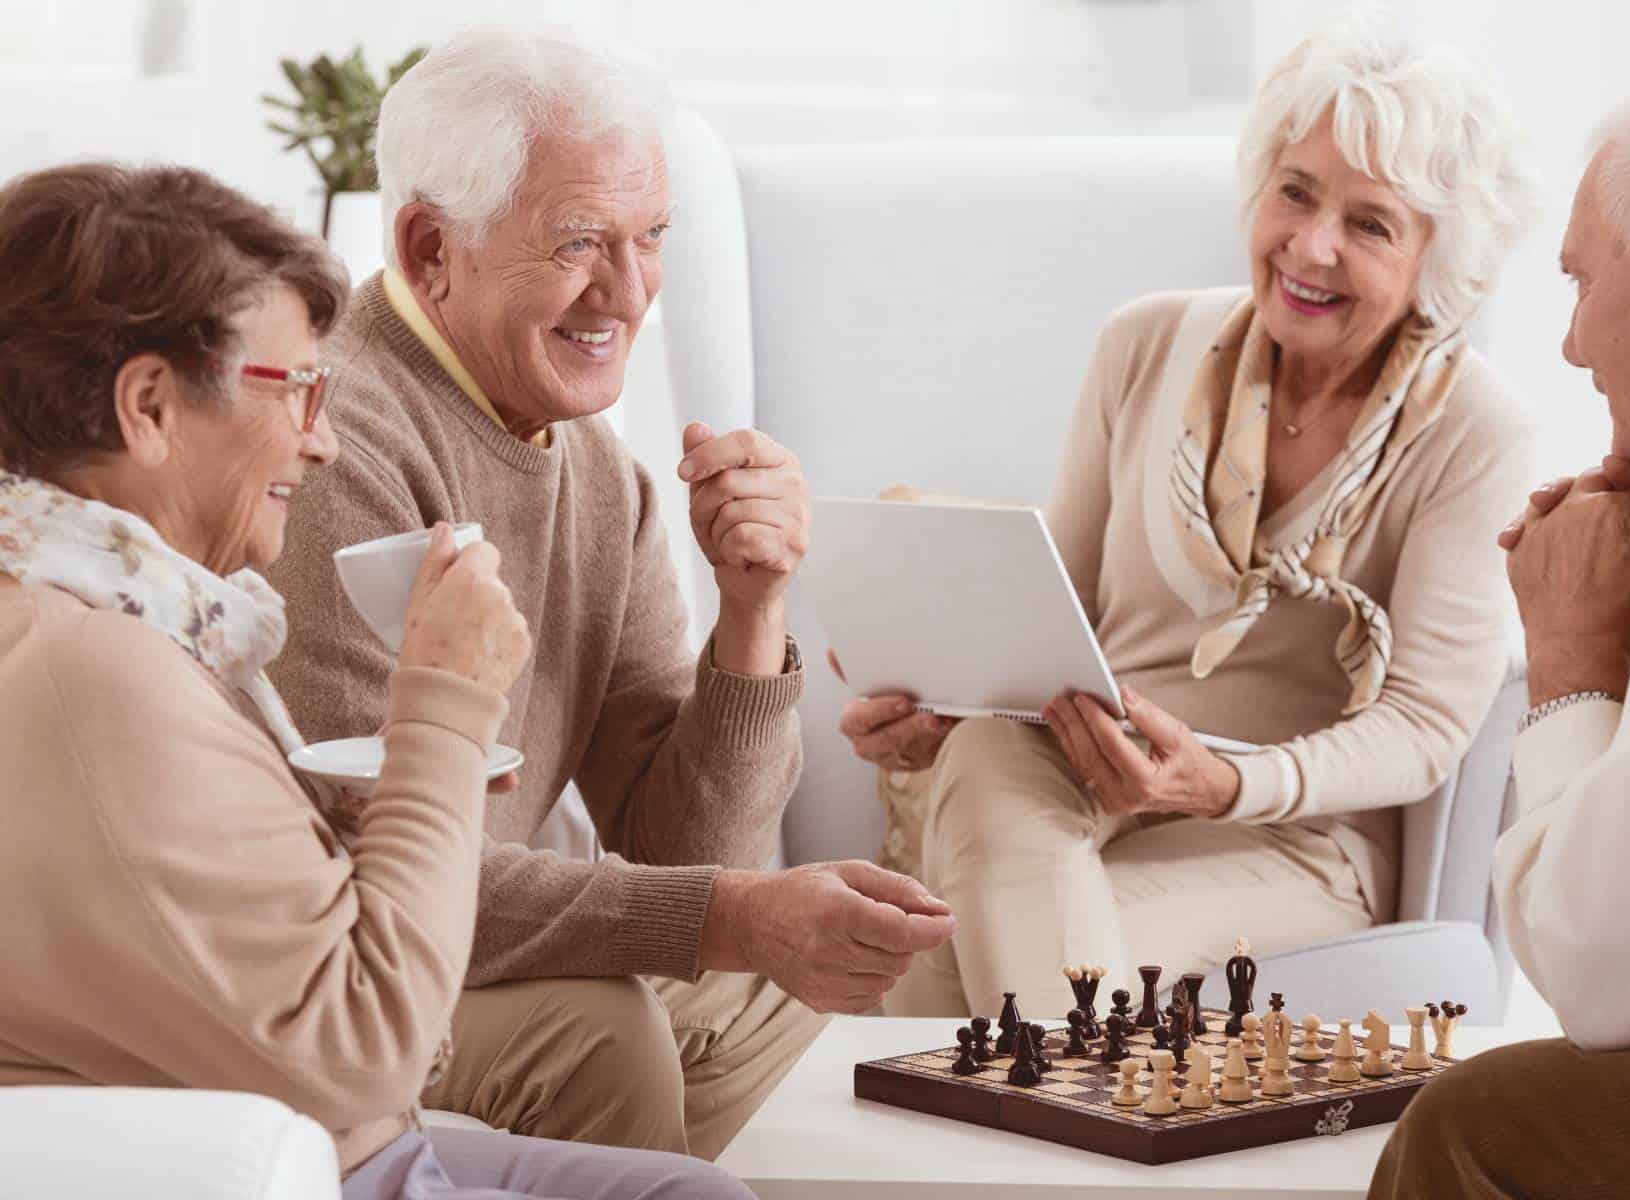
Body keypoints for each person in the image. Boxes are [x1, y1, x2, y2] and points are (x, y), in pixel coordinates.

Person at [264, 26, 956, 1159]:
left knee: (800, 980)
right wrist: (729, 915)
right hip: (335, 960)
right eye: (582, 242)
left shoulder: (599, 474)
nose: (629, 295)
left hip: (449, 938)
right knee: (602, 1029)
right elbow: (371, 873)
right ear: (431, 246)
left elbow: (683, 841)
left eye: (651, 240)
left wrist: (751, 612)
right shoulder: (335, 445)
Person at [0, 162, 752, 1200]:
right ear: (149, 407)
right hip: (274, 1150)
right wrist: (444, 711)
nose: (323, 437)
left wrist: (751, 612)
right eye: (298, 390)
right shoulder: (99, 671)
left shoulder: (100, 616)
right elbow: (371, 1050)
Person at [854, 17, 1539, 1019]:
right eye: (1295, 193)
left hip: (1289, 845)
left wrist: (1220, 785)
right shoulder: (1141, 345)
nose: (1311, 247)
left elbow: (1427, 727)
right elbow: (1057, 617)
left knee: (963, 957)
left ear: (1440, 260)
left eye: (1370, 223)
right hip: (1071, 796)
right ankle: (1090, 1141)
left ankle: (1040, 1134)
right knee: (989, 755)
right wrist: (935, 707)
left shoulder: (1474, 428)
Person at [1372, 67, 1630, 1199]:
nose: (1569, 345)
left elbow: (1607, 976)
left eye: (1580, 280)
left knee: (1479, 1124)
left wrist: (1571, 657)